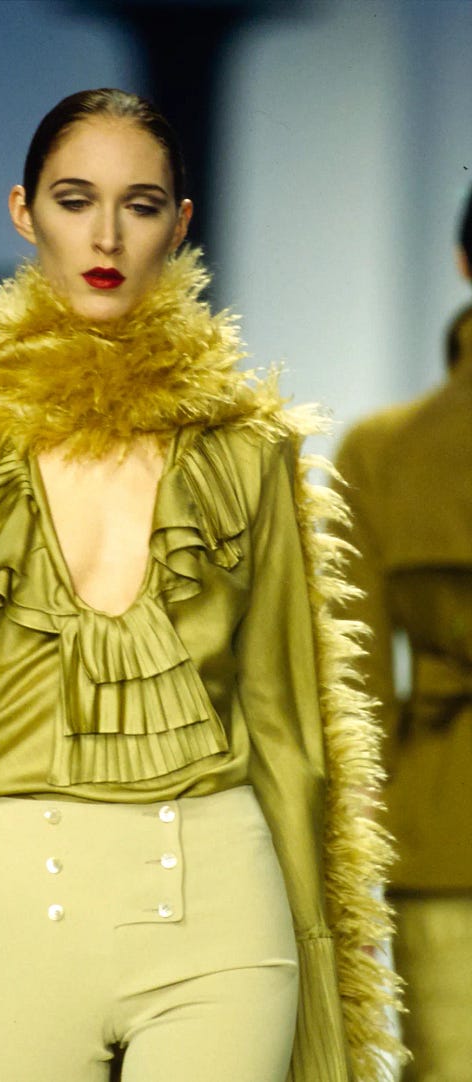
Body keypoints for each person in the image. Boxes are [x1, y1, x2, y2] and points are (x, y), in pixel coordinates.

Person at [0, 89, 402, 1082]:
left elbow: (290, 732)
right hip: (10, 925)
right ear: (24, 212)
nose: (106, 236)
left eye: (140, 205)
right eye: (74, 199)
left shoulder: (250, 453)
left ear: (180, 223)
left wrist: (329, 986)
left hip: (227, 913)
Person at [335, 244, 472, 1082]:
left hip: (443, 830)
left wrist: (347, 871)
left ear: (459, 261)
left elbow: (357, 691)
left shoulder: (385, 450)